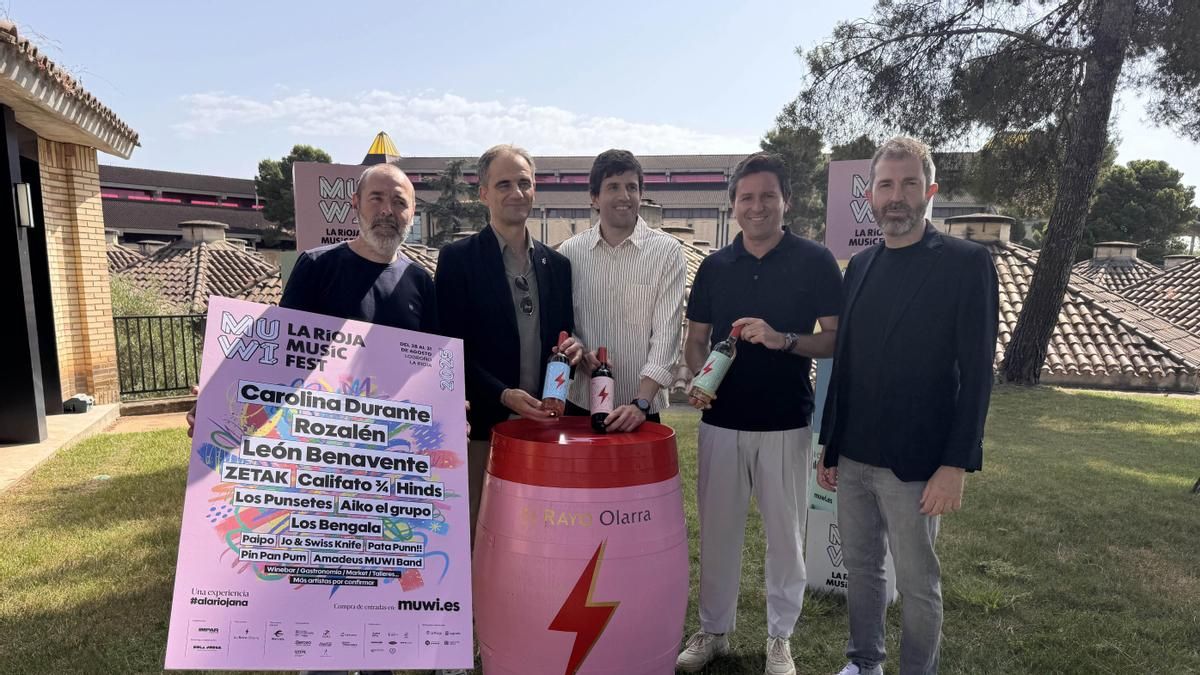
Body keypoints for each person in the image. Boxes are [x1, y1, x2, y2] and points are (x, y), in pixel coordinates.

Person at [188, 160, 439, 675]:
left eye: (400, 202)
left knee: (374, 601)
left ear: (412, 214)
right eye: (378, 198)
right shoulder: (316, 267)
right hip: (316, 461)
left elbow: (430, 375)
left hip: (384, 473)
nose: (388, 211)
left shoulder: (421, 282)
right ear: (355, 205)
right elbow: (276, 357)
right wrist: (219, 405)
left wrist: (446, 411)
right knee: (317, 597)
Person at [816, 136, 999, 675]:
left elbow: (977, 375)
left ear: (930, 191)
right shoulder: (862, 265)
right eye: (886, 185)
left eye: (909, 184)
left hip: (919, 464)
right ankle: (864, 662)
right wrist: (831, 444)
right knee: (862, 568)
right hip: (852, 457)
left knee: (918, 585)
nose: (896, 196)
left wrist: (955, 464)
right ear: (870, 195)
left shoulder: (966, 264)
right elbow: (846, 364)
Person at [676, 152, 843, 675]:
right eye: (746, 197)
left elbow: (836, 338)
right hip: (721, 423)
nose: (757, 206)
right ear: (732, 206)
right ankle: (713, 632)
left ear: (785, 200)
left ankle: (780, 639)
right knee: (718, 534)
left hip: (786, 421)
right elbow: (696, 340)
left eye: (767, 196)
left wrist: (782, 339)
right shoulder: (714, 266)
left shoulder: (815, 260)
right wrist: (699, 380)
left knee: (785, 538)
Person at [434, 144, 581, 546]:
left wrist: (571, 354)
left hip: (540, 429)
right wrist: (501, 395)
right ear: (483, 193)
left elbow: (561, 340)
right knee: (474, 535)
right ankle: (473, 612)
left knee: (533, 539)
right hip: (484, 428)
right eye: (504, 184)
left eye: (524, 183)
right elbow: (449, 351)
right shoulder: (457, 260)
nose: (516, 192)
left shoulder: (558, 266)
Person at [557, 149, 686, 431]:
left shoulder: (667, 253)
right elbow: (564, 322)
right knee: (576, 476)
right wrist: (577, 347)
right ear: (594, 197)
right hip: (580, 402)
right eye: (613, 187)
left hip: (640, 408)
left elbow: (667, 334)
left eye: (632, 187)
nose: (624, 196)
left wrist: (641, 402)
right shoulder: (569, 253)